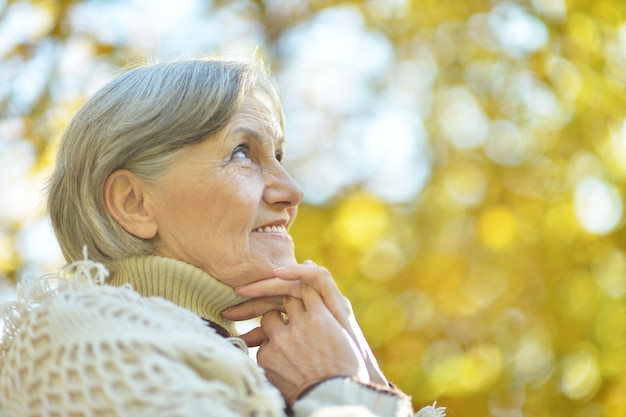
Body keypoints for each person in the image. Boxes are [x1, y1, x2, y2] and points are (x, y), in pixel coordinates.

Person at [0, 57, 446, 417]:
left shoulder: (259, 371)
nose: (292, 192)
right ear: (135, 204)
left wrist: (367, 380)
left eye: (278, 155)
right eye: (242, 153)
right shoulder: (84, 344)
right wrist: (336, 391)